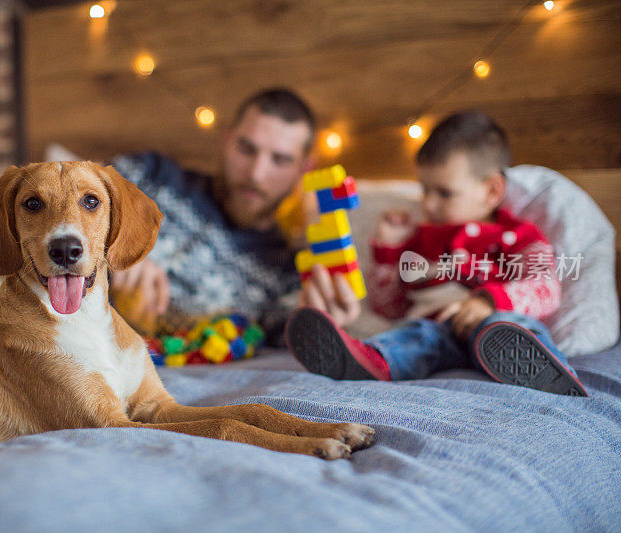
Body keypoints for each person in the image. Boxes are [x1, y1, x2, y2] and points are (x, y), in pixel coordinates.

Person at [285, 110, 588, 396]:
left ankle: (545, 370)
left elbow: (545, 288)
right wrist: (388, 251)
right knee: (409, 337)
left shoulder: (516, 236)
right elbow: (388, 308)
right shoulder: (420, 240)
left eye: (444, 193)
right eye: (424, 190)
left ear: (492, 191)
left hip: (493, 322)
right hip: (434, 329)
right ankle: (368, 363)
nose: (428, 205)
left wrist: (489, 301)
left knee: (517, 329)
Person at [108, 88, 360, 345]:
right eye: (246, 149)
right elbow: (72, 198)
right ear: (227, 140)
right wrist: (115, 247)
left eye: (280, 160)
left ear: (303, 169)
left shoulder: (285, 274)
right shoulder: (150, 176)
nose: (256, 174)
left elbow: (295, 347)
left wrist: (328, 330)